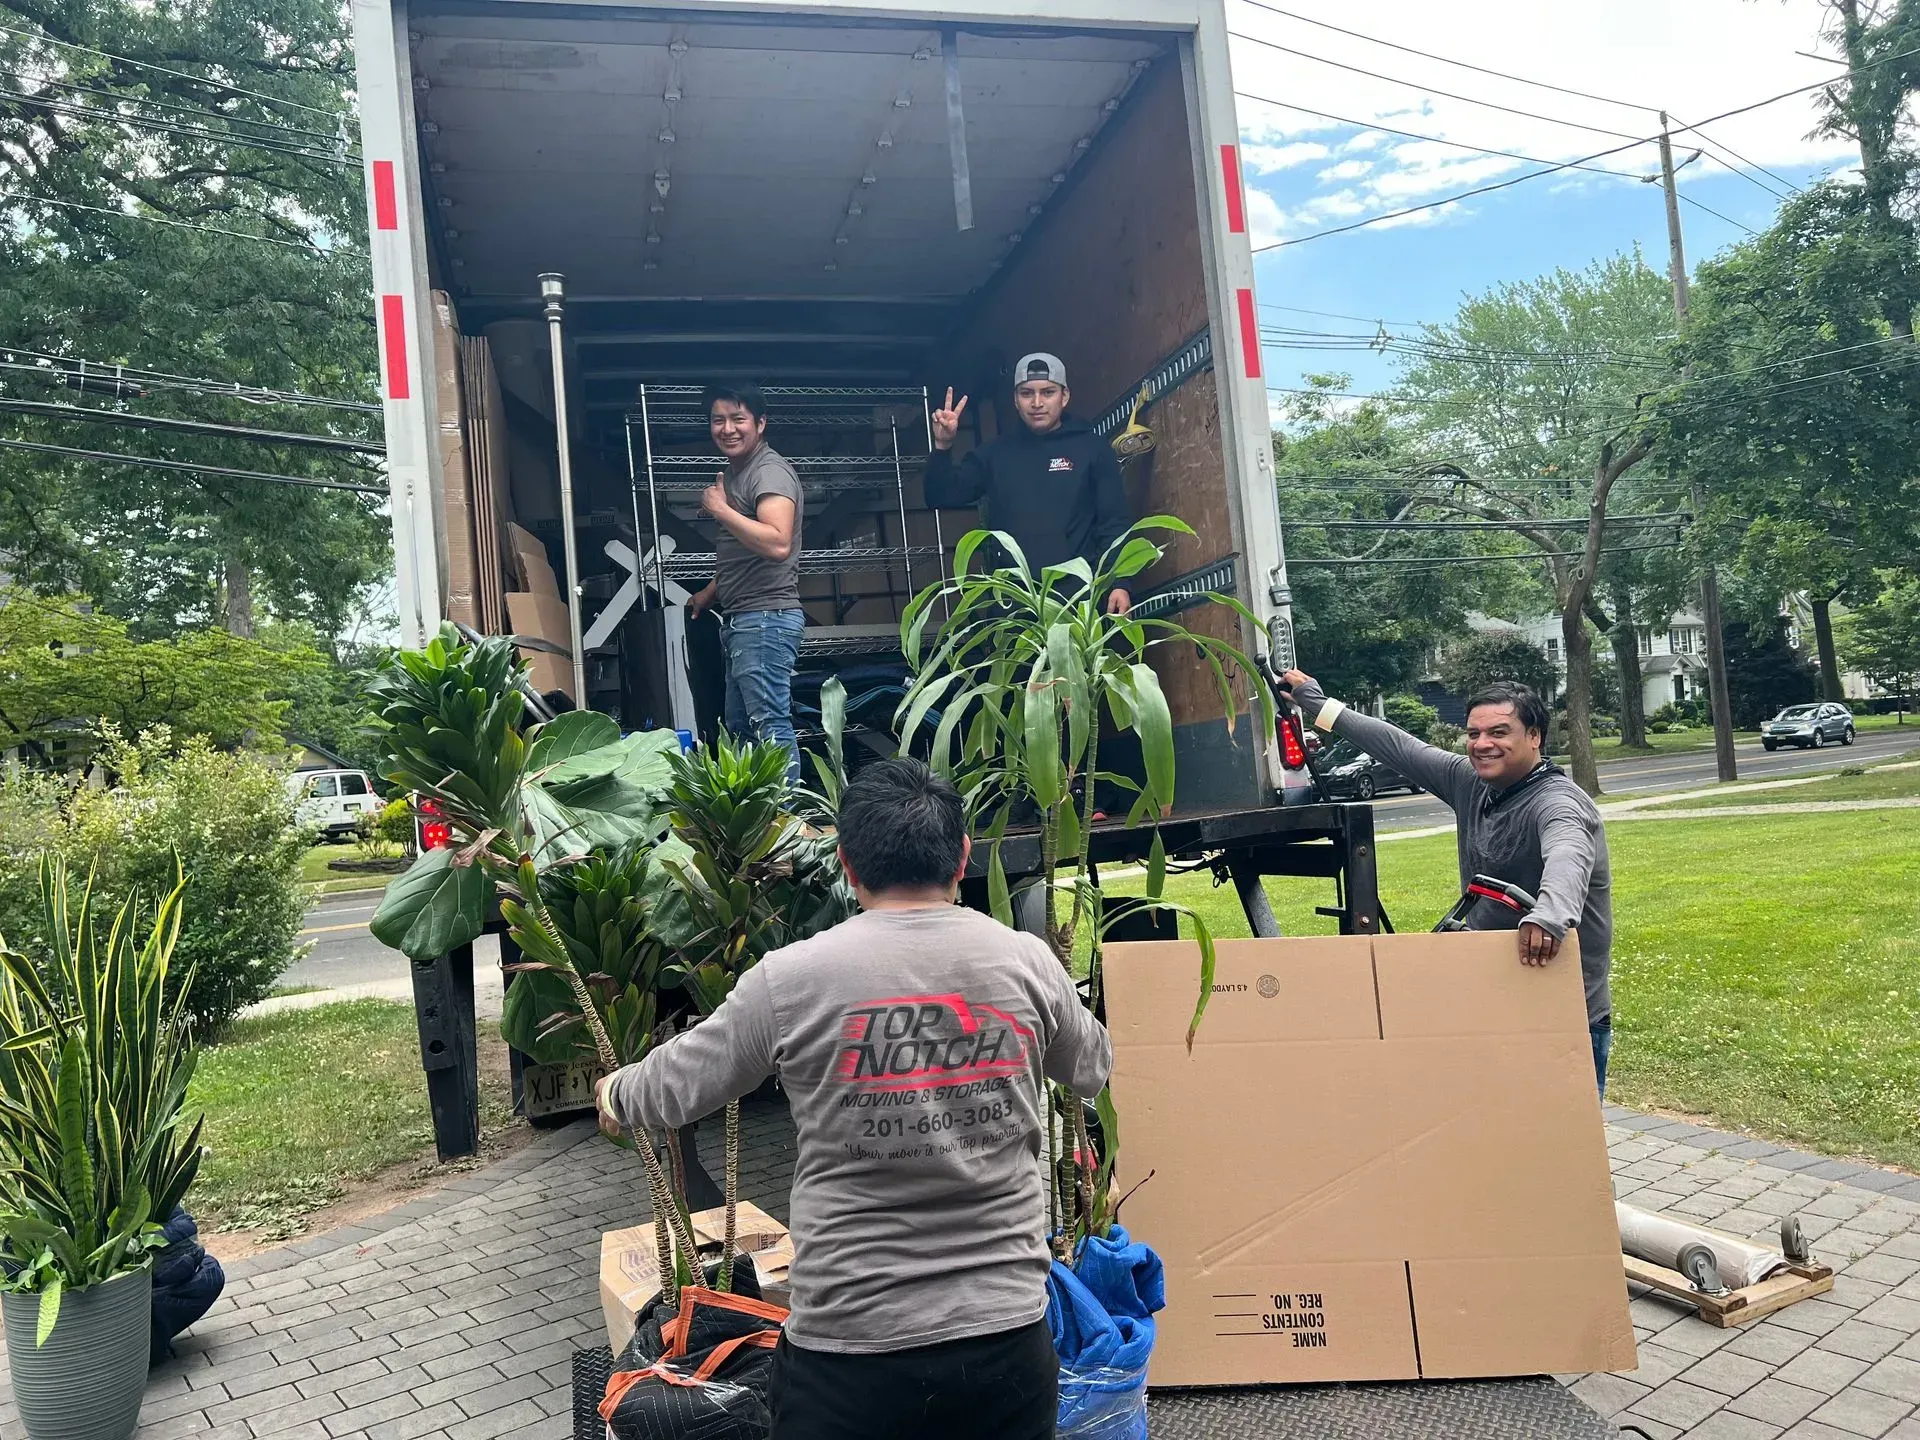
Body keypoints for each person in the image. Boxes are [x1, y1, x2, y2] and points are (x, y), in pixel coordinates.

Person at [595, 757, 1112, 1440]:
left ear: (845, 862)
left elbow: (672, 1088)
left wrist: (615, 1090)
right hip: (1006, 1348)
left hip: (850, 1359)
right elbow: (1093, 1068)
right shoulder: (1026, 962)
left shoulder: (791, 981)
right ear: (962, 855)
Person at [1280, 670, 1616, 1095]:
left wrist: (1549, 916)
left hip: (1560, 1013)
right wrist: (1316, 703)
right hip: (1486, 1000)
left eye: (1499, 731)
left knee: (1561, 1149)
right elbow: (1399, 747)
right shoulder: (1469, 781)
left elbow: (1567, 853)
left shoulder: (1558, 803)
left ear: (1535, 737)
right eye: (1473, 733)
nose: (1482, 744)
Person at [926, 353, 1134, 613]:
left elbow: (1114, 522)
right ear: (1015, 399)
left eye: (1048, 392)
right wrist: (943, 446)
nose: (1037, 403)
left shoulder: (1092, 449)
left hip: (1079, 601)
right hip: (1015, 604)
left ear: (1065, 396)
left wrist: (1120, 582)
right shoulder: (995, 454)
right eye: (1027, 393)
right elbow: (940, 495)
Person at [684, 384, 805, 780]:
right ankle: (759, 824)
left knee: (768, 726)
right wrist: (710, 591)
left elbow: (777, 542)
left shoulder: (767, 471)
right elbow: (747, 549)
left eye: (738, 419)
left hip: (765, 619)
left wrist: (719, 509)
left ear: (761, 423)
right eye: (718, 420)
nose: (728, 428)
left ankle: (788, 822)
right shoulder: (741, 472)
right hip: (746, 619)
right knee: (741, 732)